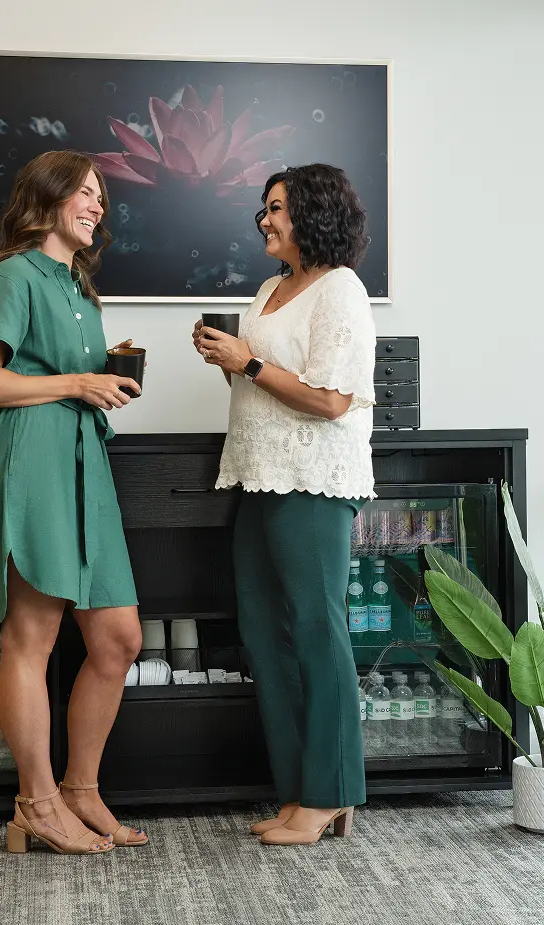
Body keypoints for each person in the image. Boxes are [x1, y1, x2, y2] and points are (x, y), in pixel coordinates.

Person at [0, 150, 148, 854]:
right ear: (47, 197)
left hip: (82, 464)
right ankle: (35, 803)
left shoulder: (78, 288)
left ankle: (79, 790)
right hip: (30, 462)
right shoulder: (12, 275)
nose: (98, 205)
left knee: (118, 638)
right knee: (30, 638)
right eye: (85, 193)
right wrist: (74, 382)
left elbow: (62, 372)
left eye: (102, 196)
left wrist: (101, 369)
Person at [193, 163, 376, 846]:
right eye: (264, 209)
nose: (264, 220)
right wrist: (231, 360)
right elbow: (262, 382)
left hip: (314, 479)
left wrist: (246, 362)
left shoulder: (341, 290)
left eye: (276, 208)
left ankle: (331, 793)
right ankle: (299, 791)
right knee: (267, 634)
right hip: (259, 474)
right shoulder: (270, 289)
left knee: (317, 632)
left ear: (313, 214)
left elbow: (331, 400)